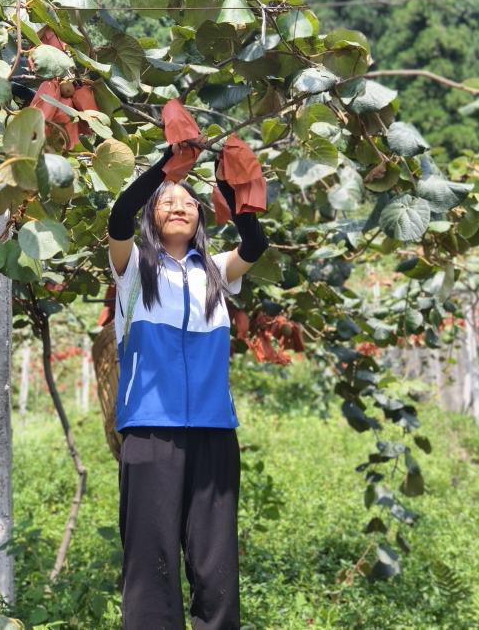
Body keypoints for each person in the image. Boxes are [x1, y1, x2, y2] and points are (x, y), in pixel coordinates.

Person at [107, 136, 268, 630]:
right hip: (151, 433)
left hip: (214, 433)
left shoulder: (216, 272)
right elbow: (118, 216)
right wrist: (165, 166)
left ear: (201, 216)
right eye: (167, 200)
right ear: (152, 215)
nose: (179, 205)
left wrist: (226, 180)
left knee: (216, 566)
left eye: (188, 201)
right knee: (150, 567)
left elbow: (255, 244)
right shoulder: (132, 269)